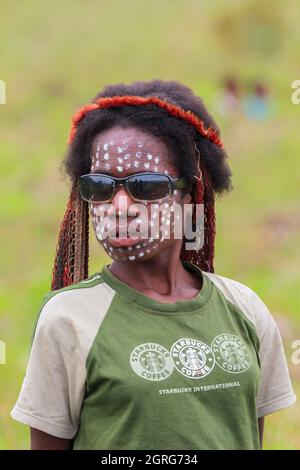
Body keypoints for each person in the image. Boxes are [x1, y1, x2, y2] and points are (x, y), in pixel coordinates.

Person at [11, 79, 296, 450]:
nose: (120, 207)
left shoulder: (243, 308)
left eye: (145, 186)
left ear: (189, 194)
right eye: (100, 187)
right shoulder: (67, 319)